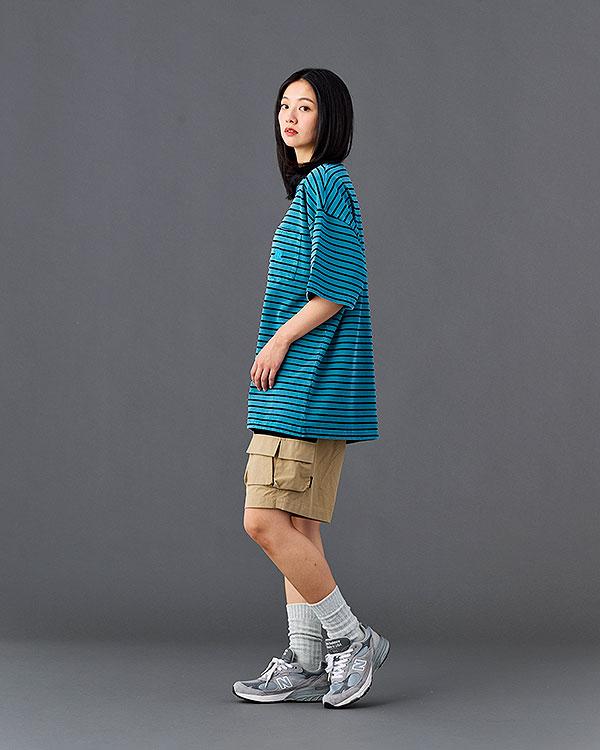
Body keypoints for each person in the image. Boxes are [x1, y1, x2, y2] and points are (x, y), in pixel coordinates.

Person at [232, 68, 389, 709]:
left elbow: (338, 285)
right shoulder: (313, 190)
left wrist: (277, 342)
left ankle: (353, 640)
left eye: (305, 106)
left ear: (331, 118)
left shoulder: (326, 182)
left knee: (263, 521)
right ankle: (306, 662)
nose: (289, 116)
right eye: (283, 105)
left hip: (302, 383)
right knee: (297, 523)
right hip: (313, 385)